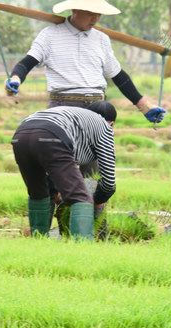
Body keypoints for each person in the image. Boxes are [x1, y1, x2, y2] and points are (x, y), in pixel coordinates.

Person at [4, 0, 166, 124]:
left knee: (100, 156)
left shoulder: (101, 39)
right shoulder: (50, 35)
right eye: (90, 13)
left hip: (98, 107)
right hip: (62, 106)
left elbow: (119, 77)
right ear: (75, 9)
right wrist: (16, 79)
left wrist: (144, 106)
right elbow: (26, 64)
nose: (95, 19)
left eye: (98, 14)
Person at [11, 101, 118, 241]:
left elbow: (49, 169)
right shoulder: (104, 127)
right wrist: (97, 201)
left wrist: (54, 193)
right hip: (52, 136)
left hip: (21, 135)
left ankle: (38, 245)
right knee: (80, 197)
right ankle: (82, 251)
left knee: (39, 194)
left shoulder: (74, 119)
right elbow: (109, 182)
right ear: (111, 123)